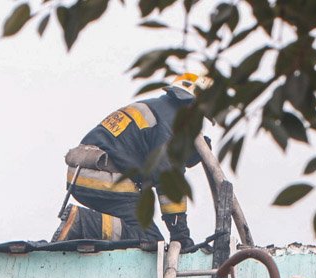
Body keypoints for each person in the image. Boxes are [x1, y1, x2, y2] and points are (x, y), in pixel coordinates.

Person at [52, 72, 212, 247]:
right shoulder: (172, 124)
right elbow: (169, 180)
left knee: (127, 228)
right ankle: (82, 223)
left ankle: (80, 230)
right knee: (150, 241)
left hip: (82, 171)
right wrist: (180, 235)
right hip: (103, 176)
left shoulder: (155, 108)